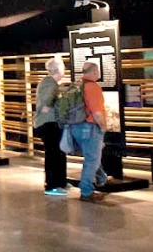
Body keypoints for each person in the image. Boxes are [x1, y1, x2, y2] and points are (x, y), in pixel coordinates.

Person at [69, 60, 107, 202]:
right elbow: (97, 113)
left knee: (92, 156)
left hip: (75, 127)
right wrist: (103, 127)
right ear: (95, 72)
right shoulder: (93, 87)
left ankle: (102, 178)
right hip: (90, 127)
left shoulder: (77, 84)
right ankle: (86, 191)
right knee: (92, 159)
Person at [33, 54, 67, 196]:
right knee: (53, 153)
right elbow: (46, 100)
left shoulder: (47, 82)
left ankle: (60, 182)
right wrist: (47, 106)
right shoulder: (51, 84)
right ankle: (52, 185)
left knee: (57, 152)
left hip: (46, 123)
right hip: (48, 124)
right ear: (59, 70)